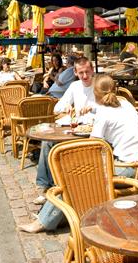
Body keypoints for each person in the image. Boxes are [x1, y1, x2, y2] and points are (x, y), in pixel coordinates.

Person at [19, 74, 138, 233]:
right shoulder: (126, 104)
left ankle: (44, 222)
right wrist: (92, 108)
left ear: (96, 94)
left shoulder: (104, 114)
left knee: (71, 177)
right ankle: (60, 215)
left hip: (126, 168)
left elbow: (92, 147)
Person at [32, 56, 95, 207]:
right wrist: (65, 107)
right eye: (81, 73)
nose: (85, 76)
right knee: (47, 142)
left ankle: (60, 188)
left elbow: (109, 106)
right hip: (76, 127)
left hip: (94, 131)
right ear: (75, 72)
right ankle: (46, 187)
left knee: (59, 146)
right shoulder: (74, 86)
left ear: (92, 70)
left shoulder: (99, 84)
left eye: (87, 72)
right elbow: (57, 108)